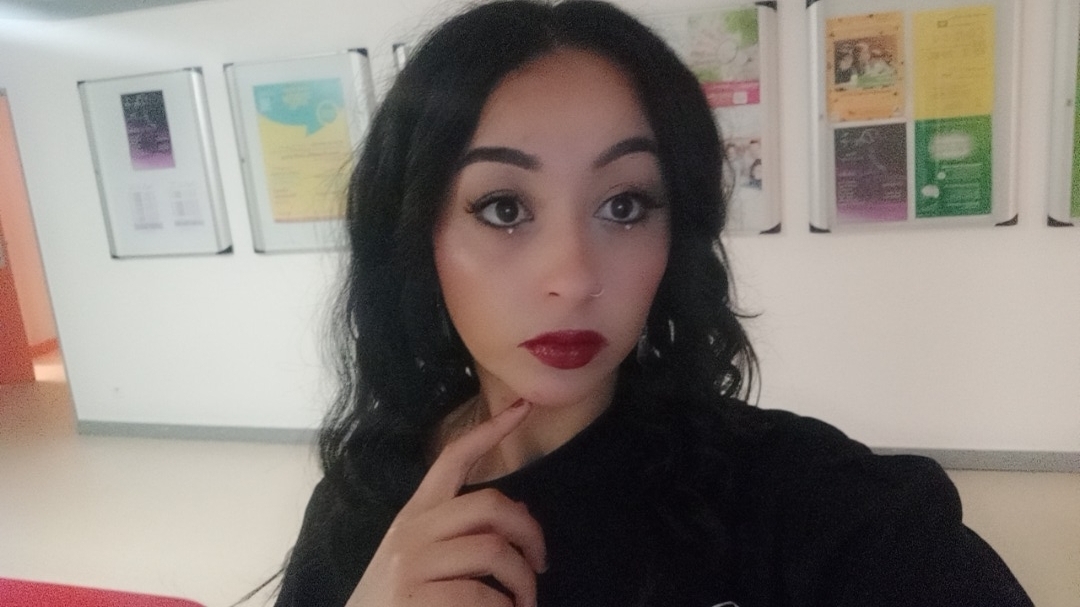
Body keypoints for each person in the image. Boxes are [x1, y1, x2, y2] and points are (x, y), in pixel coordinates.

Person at [272, 1, 1033, 606]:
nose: (573, 277)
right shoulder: (364, 508)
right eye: (504, 208)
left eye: (626, 205)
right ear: (417, 234)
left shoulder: (791, 495)